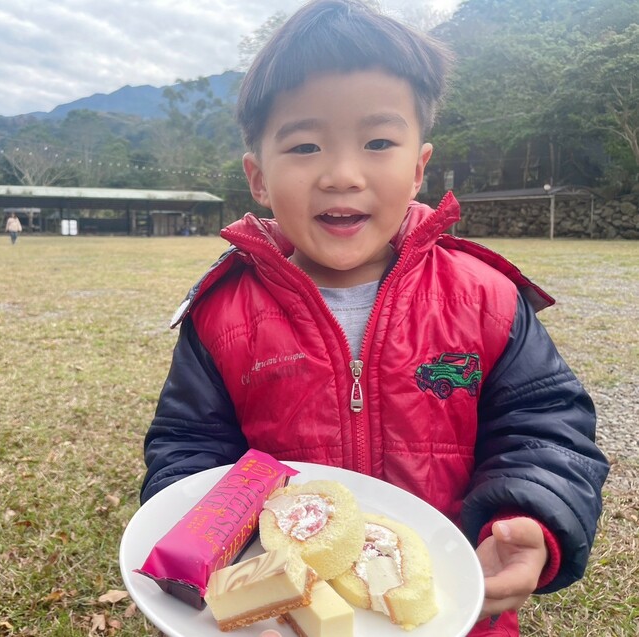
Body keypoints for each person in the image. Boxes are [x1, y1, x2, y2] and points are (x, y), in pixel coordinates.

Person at [139, 2, 608, 636]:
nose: (342, 175)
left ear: (419, 165)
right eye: (305, 145)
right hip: (281, 612)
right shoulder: (222, 314)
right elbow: (189, 450)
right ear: (257, 177)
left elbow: (546, 427)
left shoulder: (487, 297)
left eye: (379, 142)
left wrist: (531, 517)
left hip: (443, 610)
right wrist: (206, 549)